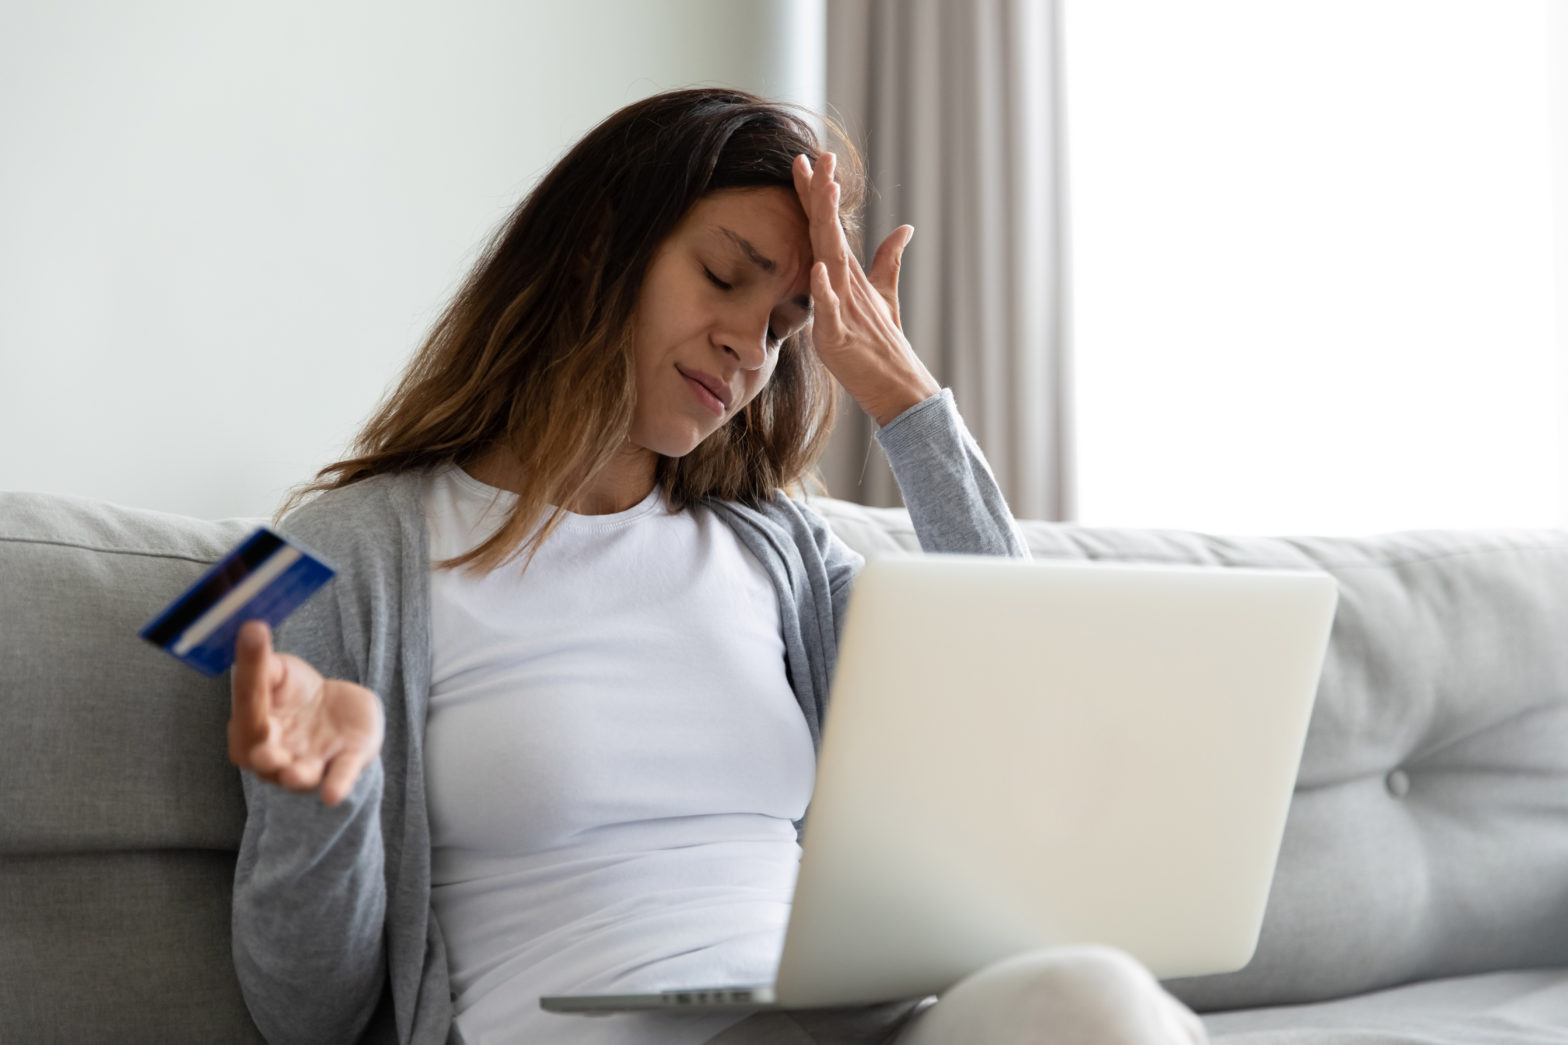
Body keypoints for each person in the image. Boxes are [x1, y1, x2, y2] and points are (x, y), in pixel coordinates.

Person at [226, 88, 1208, 1045]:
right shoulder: (306, 556)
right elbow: (300, 1016)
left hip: (842, 1020)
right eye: (724, 276)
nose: (748, 345)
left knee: (1094, 998)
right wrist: (325, 801)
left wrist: (905, 399)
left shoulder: (778, 549)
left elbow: (1021, 682)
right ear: (594, 246)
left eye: (785, 327)